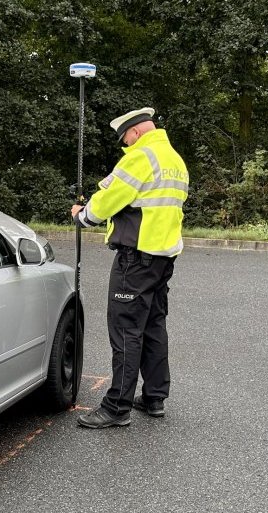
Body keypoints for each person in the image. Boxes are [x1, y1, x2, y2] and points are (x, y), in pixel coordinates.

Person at [71, 107, 189, 429]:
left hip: (135, 259)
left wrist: (83, 215)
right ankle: (154, 397)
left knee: (125, 330)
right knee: (153, 326)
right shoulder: (174, 160)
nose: (125, 144)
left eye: (125, 138)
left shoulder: (140, 157)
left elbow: (110, 199)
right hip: (163, 258)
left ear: (135, 131)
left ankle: (117, 407)